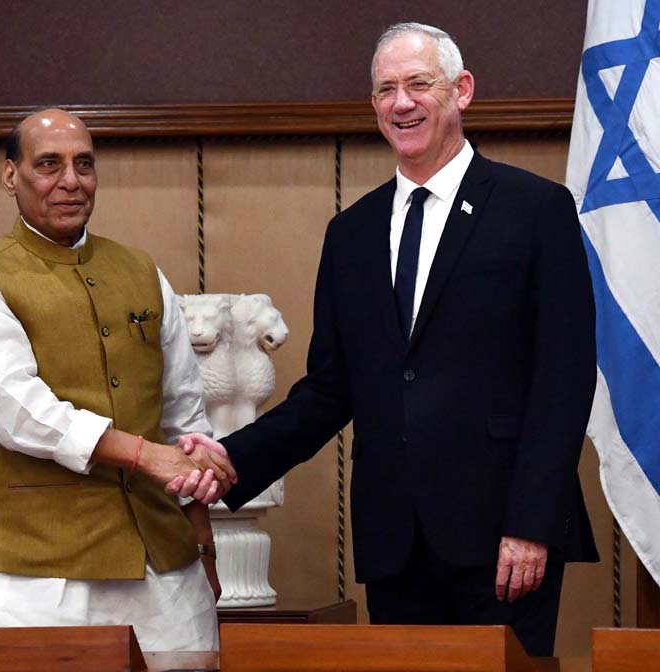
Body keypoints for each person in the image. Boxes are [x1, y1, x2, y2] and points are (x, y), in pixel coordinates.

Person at [170, 23, 598, 656]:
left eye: (419, 84)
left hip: (505, 541)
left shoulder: (536, 210)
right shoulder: (352, 233)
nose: (402, 103)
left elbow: (563, 381)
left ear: (462, 92)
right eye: (386, 90)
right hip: (396, 542)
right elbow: (328, 390)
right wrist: (232, 457)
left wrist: (532, 524)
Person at [0, 108, 235, 652]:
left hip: (165, 577)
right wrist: (147, 456)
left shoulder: (143, 272)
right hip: (31, 582)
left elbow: (183, 416)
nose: (70, 181)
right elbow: (21, 413)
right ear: (11, 176)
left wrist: (203, 541)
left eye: (84, 164)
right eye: (48, 164)